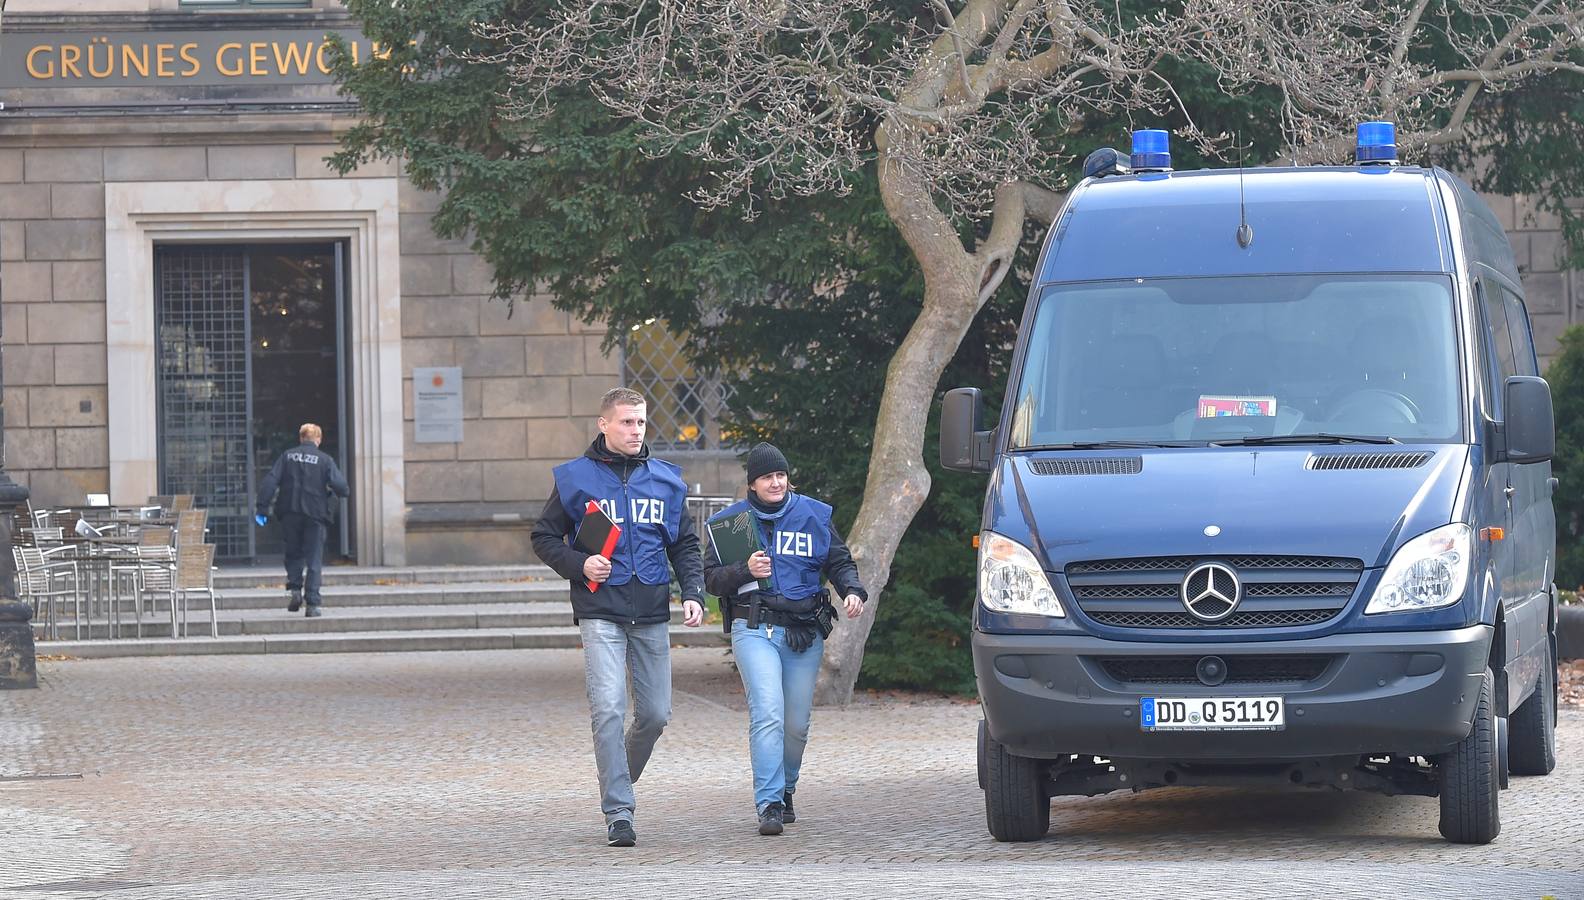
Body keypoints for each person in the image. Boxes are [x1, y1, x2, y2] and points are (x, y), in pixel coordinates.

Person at [530, 387, 706, 848]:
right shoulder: (574, 478)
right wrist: (579, 563)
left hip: (650, 610)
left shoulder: (667, 480)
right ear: (603, 424)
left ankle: (618, 782)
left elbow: (684, 544)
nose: (635, 430)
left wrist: (692, 592)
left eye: (641, 422)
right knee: (608, 708)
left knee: (654, 714)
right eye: (626, 422)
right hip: (599, 610)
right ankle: (619, 812)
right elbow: (544, 536)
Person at [703, 442, 866, 836]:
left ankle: (787, 787)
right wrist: (744, 570)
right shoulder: (730, 524)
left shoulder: (814, 514)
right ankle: (769, 802)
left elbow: (839, 560)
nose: (775, 483)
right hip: (754, 628)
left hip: (803, 631)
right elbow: (710, 579)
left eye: (780, 475)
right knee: (768, 713)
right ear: (752, 484)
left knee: (796, 723)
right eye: (766, 477)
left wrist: (852, 589)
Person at [254, 423, 349, 618]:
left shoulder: (287, 457)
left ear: (300, 438)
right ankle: (313, 603)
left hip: (290, 514)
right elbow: (342, 487)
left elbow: (270, 481)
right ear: (318, 440)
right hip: (316, 515)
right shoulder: (325, 460)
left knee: (293, 553)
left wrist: (262, 508)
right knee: (314, 558)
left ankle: (295, 589)